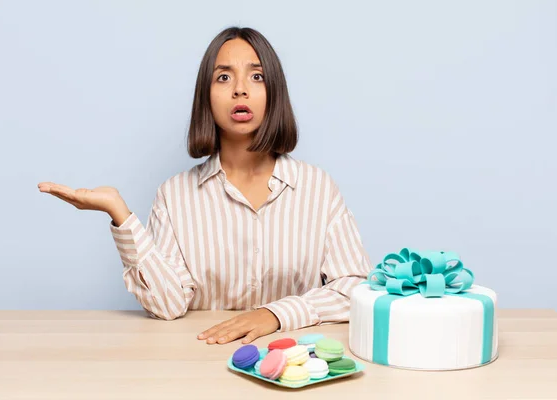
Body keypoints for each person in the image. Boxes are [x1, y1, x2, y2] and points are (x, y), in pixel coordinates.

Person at [38, 26, 372, 345]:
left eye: (257, 76)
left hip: (292, 366)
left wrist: (274, 314)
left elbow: (354, 289)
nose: (240, 89)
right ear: (206, 97)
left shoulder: (318, 189)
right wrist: (120, 215)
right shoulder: (174, 195)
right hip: (202, 362)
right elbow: (167, 305)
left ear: (275, 92)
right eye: (224, 77)